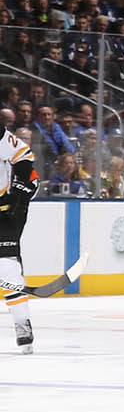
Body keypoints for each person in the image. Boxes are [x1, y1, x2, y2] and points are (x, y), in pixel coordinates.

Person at [1, 125, 39, 353]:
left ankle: (21, 323)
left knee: (6, 267)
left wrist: (17, 195)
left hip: (3, 210)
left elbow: (24, 156)